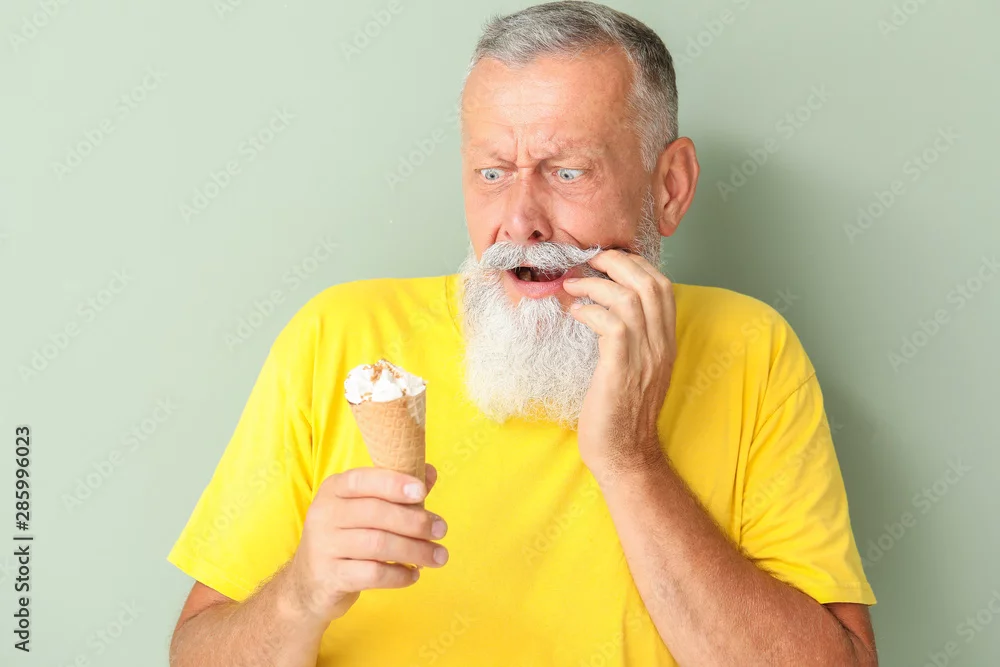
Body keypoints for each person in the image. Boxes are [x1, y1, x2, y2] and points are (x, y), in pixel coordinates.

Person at [166, 2, 877, 665]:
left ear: (670, 187)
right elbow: (194, 651)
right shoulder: (339, 337)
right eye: (492, 172)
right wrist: (299, 595)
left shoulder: (749, 349)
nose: (519, 221)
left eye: (567, 171)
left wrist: (631, 460)